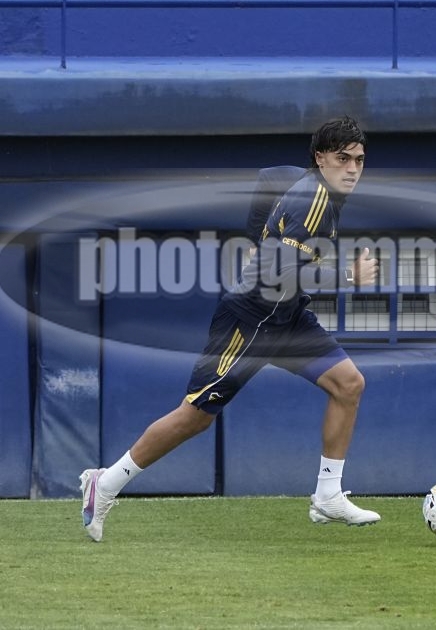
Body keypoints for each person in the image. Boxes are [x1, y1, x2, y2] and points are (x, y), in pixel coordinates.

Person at [80, 116, 381, 542]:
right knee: (195, 417)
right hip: (250, 320)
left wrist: (258, 237)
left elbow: (268, 178)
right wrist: (350, 277)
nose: (352, 169)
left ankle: (328, 495)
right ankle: (105, 483)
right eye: (342, 158)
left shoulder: (310, 182)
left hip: (287, 316)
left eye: (359, 160)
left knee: (348, 384)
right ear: (320, 158)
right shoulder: (312, 198)